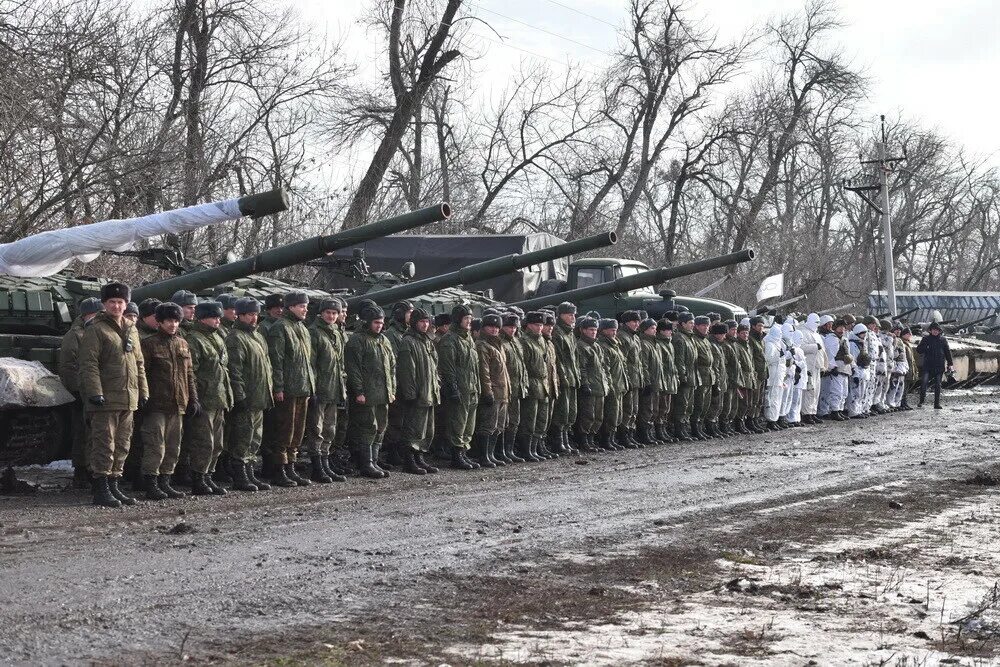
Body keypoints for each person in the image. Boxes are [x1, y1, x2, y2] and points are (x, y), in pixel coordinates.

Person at [78, 282, 148, 507]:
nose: (117, 306)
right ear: (104, 304)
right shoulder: (96, 329)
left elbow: (139, 363)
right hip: (105, 398)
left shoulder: (131, 328)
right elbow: (89, 364)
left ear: (126, 303)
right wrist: (95, 392)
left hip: (128, 396)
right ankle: (101, 488)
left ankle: (115, 485)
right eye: (112, 302)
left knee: (122, 443)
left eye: (120, 302)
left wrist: (143, 390)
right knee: (104, 444)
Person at [139, 302, 198, 500]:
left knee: (174, 446)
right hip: (156, 404)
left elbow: (189, 374)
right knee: (156, 446)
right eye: (168, 321)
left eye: (176, 321)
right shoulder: (149, 344)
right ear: (159, 322)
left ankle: (166, 481)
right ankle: (151, 483)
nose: (172, 325)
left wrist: (193, 399)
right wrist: (144, 398)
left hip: (178, 404)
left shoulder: (182, 343)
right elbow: (143, 373)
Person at [185, 300, 234, 495]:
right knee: (204, 442)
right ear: (203, 318)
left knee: (217, 443)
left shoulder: (218, 338)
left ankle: (208, 476)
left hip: (219, 397)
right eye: (214, 317)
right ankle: (199, 478)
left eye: (219, 317)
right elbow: (192, 372)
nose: (217, 321)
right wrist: (194, 398)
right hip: (205, 399)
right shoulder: (194, 339)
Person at [266, 291, 315, 487]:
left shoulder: (302, 329)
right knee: (284, 432)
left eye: (306, 306)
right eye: (302, 306)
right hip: (287, 389)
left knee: (297, 432)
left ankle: (291, 468)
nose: (305, 309)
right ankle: (280, 470)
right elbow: (276, 361)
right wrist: (278, 387)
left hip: (302, 387)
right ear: (291, 307)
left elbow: (307, 361)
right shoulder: (280, 328)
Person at [224, 297, 274, 492]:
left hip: (260, 396)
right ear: (240, 315)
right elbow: (234, 370)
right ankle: (240, 475)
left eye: (255, 314)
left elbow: (267, 366)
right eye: (250, 314)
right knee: (242, 438)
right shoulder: (235, 337)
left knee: (255, 439)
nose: (254, 318)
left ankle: (250, 472)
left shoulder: (258, 336)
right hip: (247, 397)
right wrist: (240, 396)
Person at [345, 304, 396, 478]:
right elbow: (354, 369)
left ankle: (374, 461)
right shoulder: (357, 340)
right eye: (376, 322)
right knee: (368, 427)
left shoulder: (384, 340)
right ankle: (366, 463)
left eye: (381, 323)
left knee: (381, 427)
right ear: (367, 322)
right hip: (367, 393)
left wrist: (392, 389)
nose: (379, 326)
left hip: (383, 393)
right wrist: (359, 391)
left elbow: (392, 368)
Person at [58, 297, 104, 487]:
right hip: (82, 392)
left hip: (97, 389)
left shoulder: (99, 332)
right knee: (83, 433)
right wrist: (77, 391)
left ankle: (95, 469)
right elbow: (68, 367)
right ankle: (81, 471)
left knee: (96, 433)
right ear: (87, 315)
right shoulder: (75, 335)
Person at [305, 298, 348, 483]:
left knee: (330, 429)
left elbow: (340, 364)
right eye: (328, 312)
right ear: (321, 313)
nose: (331, 316)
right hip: (320, 388)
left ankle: (325, 463)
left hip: (334, 387)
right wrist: (312, 389)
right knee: (317, 429)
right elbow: (311, 364)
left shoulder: (336, 333)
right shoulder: (314, 333)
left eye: (334, 313)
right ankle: (317, 467)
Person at [394, 308, 440, 474]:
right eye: (421, 321)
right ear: (414, 322)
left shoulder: (427, 341)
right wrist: (410, 393)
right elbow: (407, 371)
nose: (425, 324)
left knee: (427, 429)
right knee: (413, 429)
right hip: (417, 393)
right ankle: (409, 461)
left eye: (427, 321)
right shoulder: (408, 341)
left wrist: (436, 386)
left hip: (429, 391)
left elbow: (434, 367)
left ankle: (420, 458)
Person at [438, 304, 481, 470]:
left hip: (471, 387)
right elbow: (448, 367)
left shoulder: (468, 338)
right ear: (458, 319)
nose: (469, 321)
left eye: (470, 318)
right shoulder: (450, 339)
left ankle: (463, 453)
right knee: (458, 423)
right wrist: (453, 388)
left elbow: (474, 365)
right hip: (460, 387)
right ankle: (456, 456)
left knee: (469, 424)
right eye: (466, 318)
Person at [473, 313, 510, 467]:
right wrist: (487, 392)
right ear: (484, 328)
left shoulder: (498, 345)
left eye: (496, 327)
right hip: (493, 392)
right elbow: (484, 372)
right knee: (487, 426)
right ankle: (484, 456)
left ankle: (491, 454)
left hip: (503, 392)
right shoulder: (482, 345)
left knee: (498, 426)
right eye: (490, 327)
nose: (494, 330)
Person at [549, 302, 580, 455]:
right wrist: (563, 377)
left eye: (574, 314)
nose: (573, 317)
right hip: (563, 378)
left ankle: (566, 441)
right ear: (560, 315)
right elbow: (558, 359)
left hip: (572, 377)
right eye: (569, 314)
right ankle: (558, 442)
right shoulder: (558, 333)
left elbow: (575, 358)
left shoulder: (570, 333)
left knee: (570, 412)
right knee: (562, 412)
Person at [575, 316, 607, 452]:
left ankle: (591, 440)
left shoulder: (596, 346)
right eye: (591, 330)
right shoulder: (581, 346)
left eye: (595, 329)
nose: (594, 332)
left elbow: (603, 367)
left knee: (598, 416)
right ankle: (584, 441)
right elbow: (581, 368)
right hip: (590, 386)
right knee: (588, 415)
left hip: (599, 385)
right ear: (583, 330)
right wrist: (585, 384)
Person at [596, 318, 628, 451]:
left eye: (615, 330)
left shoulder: (615, 344)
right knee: (610, 414)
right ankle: (606, 439)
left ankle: (612, 438)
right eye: (611, 330)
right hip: (612, 384)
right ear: (604, 331)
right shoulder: (604, 346)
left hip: (619, 383)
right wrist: (610, 385)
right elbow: (606, 368)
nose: (614, 332)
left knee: (617, 413)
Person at [499, 312, 527, 464]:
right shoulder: (501, 343)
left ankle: (509, 450)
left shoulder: (516, 342)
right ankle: (502, 451)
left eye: (514, 327)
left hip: (518, 386)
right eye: (509, 327)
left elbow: (522, 365)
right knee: (504, 421)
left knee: (514, 421)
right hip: (506, 387)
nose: (512, 330)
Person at [617, 311, 645, 447]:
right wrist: (626, 380)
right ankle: (623, 436)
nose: (637, 324)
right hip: (629, 379)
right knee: (627, 410)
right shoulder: (623, 337)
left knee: (634, 410)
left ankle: (630, 434)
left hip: (636, 378)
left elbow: (639, 361)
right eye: (634, 321)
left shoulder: (635, 338)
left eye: (638, 321)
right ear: (626, 322)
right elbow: (623, 362)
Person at [671, 312, 699, 441]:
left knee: (689, 405)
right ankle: (679, 430)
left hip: (692, 375)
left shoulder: (689, 337)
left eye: (693, 323)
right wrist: (683, 377)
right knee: (682, 405)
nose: (692, 325)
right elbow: (679, 360)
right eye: (690, 323)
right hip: (686, 377)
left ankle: (685, 428)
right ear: (683, 324)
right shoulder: (679, 338)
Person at [638, 318, 665, 444]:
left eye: (655, 328)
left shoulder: (655, 344)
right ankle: (644, 434)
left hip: (656, 381)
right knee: (647, 409)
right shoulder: (644, 344)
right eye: (652, 328)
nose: (655, 330)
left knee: (654, 409)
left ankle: (650, 432)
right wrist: (647, 382)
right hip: (650, 382)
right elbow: (644, 365)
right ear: (645, 330)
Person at [916, 321, 953, 409]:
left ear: (939, 331)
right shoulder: (926, 339)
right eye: (933, 330)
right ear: (930, 330)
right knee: (924, 383)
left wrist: (950, 363)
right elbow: (919, 350)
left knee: (938, 385)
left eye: (937, 330)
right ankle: (921, 400)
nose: (935, 331)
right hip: (928, 365)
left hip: (939, 366)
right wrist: (926, 347)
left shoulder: (943, 340)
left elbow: (947, 352)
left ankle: (936, 404)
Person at [798, 314, 828, 424]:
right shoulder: (803, 332)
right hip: (808, 366)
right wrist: (814, 347)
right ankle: (806, 413)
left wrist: (824, 365)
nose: (816, 324)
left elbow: (823, 351)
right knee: (809, 391)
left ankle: (812, 412)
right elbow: (800, 347)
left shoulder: (817, 334)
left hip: (817, 366)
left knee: (816, 391)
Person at [690, 315, 715, 440]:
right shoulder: (694, 340)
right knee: (698, 405)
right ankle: (695, 428)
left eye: (708, 325)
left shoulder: (705, 340)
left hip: (708, 376)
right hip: (700, 376)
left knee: (706, 405)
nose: (706, 328)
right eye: (704, 325)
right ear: (697, 326)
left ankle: (701, 426)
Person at [655, 320, 679, 444]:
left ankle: (664, 429)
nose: (671, 332)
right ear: (662, 331)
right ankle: (659, 430)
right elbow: (661, 365)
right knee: (662, 407)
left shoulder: (668, 343)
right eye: (668, 330)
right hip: (663, 380)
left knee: (667, 407)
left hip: (670, 379)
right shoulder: (659, 344)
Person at [762, 323, 787, 429]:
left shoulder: (777, 344)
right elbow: (767, 359)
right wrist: (778, 356)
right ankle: (770, 420)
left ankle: (775, 419)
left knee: (777, 399)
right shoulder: (769, 344)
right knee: (771, 399)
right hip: (772, 376)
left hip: (778, 376)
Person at [846, 323, 870, 418]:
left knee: (861, 392)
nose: (864, 335)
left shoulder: (862, 343)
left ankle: (859, 409)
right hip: (857, 370)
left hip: (863, 369)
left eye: (865, 333)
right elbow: (853, 358)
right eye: (862, 333)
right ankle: (853, 411)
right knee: (854, 392)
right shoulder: (853, 343)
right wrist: (855, 371)